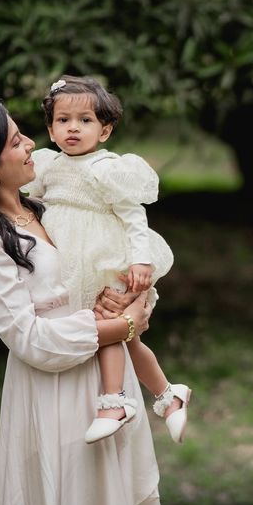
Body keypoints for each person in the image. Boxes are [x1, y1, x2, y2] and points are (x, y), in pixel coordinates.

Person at [0, 100, 164, 505]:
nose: (32, 143)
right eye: (16, 141)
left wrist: (126, 297)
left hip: (106, 380)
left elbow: (97, 265)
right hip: (54, 391)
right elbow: (31, 340)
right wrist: (121, 326)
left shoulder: (43, 209)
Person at [22, 75, 191, 445]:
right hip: (67, 261)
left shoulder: (109, 168)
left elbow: (133, 218)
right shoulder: (47, 165)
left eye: (85, 121)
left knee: (108, 326)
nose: (73, 128)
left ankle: (114, 402)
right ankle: (167, 394)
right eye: (63, 120)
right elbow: (24, 203)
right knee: (121, 338)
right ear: (50, 130)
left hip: (103, 257)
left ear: (105, 130)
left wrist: (141, 261)